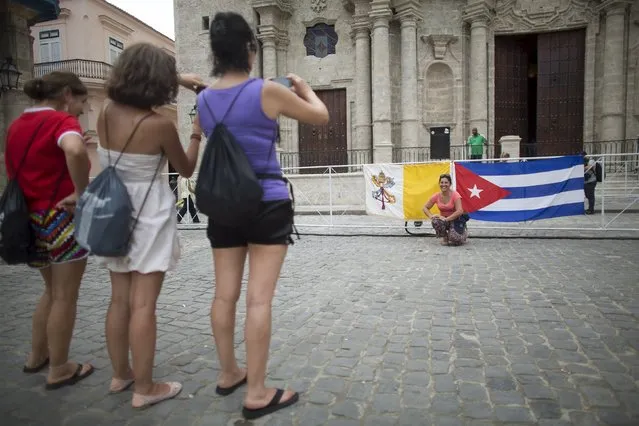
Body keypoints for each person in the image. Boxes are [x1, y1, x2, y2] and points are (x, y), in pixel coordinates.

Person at [198, 11, 328, 420]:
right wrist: (306, 89)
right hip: (266, 200)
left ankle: (227, 372)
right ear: (250, 50)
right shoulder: (267, 91)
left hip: (222, 203)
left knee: (224, 294)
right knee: (259, 299)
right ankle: (256, 392)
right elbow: (320, 117)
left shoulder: (202, 100)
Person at [97, 42, 204, 409]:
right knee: (144, 306)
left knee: (119, 301)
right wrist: (195, 132)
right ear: (159, 82)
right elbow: (186, 170)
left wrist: (177, 75)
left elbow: (138, 79)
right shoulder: (159, 124)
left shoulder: (106, 112)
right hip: (149, 213)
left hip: (113, 212)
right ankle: (145, 387)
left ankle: (120, 374)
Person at [4, 71, 94, 389]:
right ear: (67, 94)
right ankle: (60, 368)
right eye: (81, 102)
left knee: (50, 291)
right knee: (65, 296)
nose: (82, 111)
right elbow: (75, 151)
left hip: (29, 219)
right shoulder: (61, 122)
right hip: (60, 217)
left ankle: (37, 356)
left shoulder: (16, 125)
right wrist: (83, 193)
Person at [422, 174, 468, 246]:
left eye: (446, 182)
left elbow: (460, 211)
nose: (443, 184)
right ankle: (445, 237)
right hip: (444, 220)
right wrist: (431, 216)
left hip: (456, 220)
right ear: (439, 183)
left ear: (450, 184)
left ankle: (463, 233)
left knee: (455, 239)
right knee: (435, 221)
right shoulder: (436, 195)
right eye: (442, 182)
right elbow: (425, 207)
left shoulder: (455, 195)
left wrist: (446, 219)